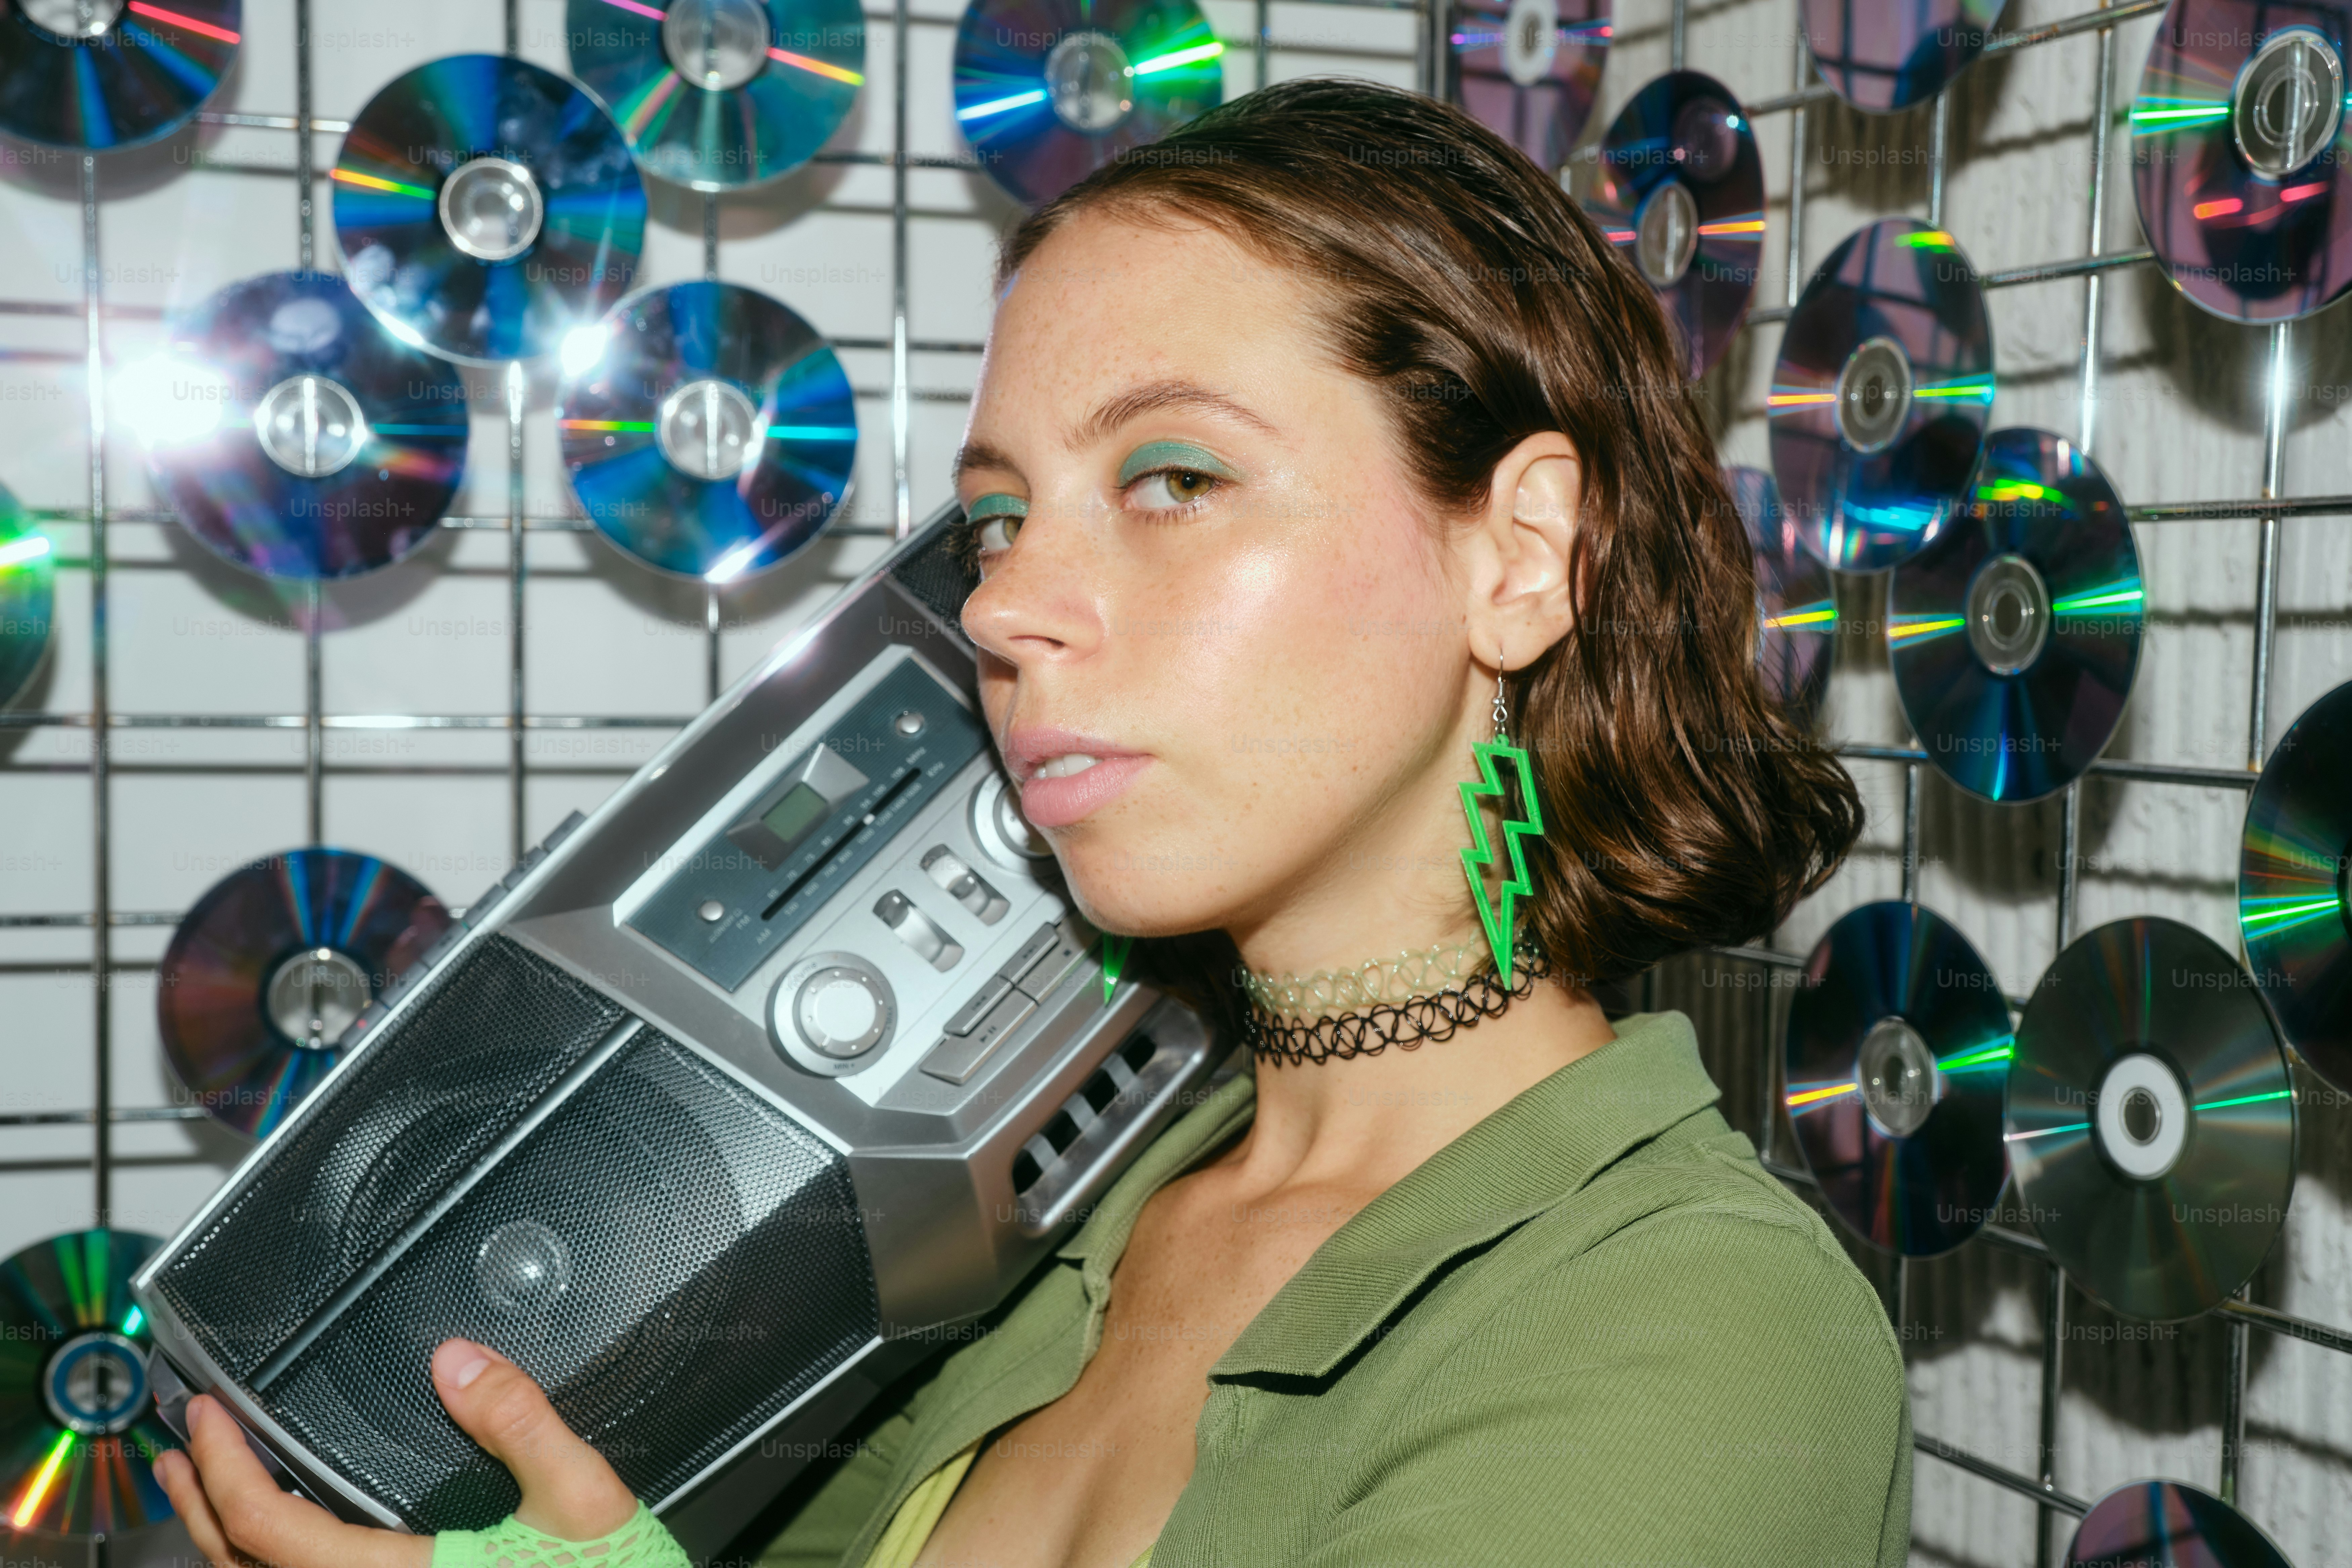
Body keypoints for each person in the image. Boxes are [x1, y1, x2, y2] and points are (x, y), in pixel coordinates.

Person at [154, 74, 1910, 1568]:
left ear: (1517, 556)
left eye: (1171, 479)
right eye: (996, 523)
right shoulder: (1062, 1201)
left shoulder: (1697, 1327)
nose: (1003, 609)